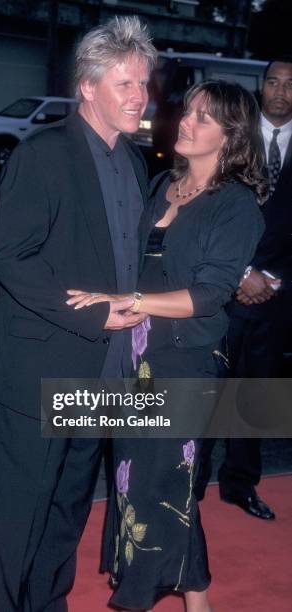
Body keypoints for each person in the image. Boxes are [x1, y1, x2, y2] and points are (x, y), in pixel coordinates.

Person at [0, 16, 157, 612]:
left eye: (144, 84)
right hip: (38, 371)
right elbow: (9, 257)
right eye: (126, 84)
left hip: (106, 372)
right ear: (88, 86)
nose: (141, 96)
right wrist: (94, 314)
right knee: (22, 515)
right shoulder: (44, 154)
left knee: (68, 509)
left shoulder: (133, 161)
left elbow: (127, 260)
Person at [66, 80, 266, 611]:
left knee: (158, 483)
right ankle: (198, 602)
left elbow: (207, 296)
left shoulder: (237, 207)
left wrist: (128, 298)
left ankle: (137, 599)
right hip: (133, 354)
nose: (188, 121)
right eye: (190, 111)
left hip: (184, 360)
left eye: (205, 118)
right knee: (144, 481)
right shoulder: (161, 185)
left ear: (232, 137)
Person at [195, 57, 292, 520]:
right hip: (222, 286)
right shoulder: (232, 137)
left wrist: (276, 279)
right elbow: (204, 205)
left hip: (276, 297)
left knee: (258, 394)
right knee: (208, 391)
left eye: (291, 84)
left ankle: (240, 484)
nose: (280, 91)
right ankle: (189, 485)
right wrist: (240, 272)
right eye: (272, 81)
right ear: (261, 86)